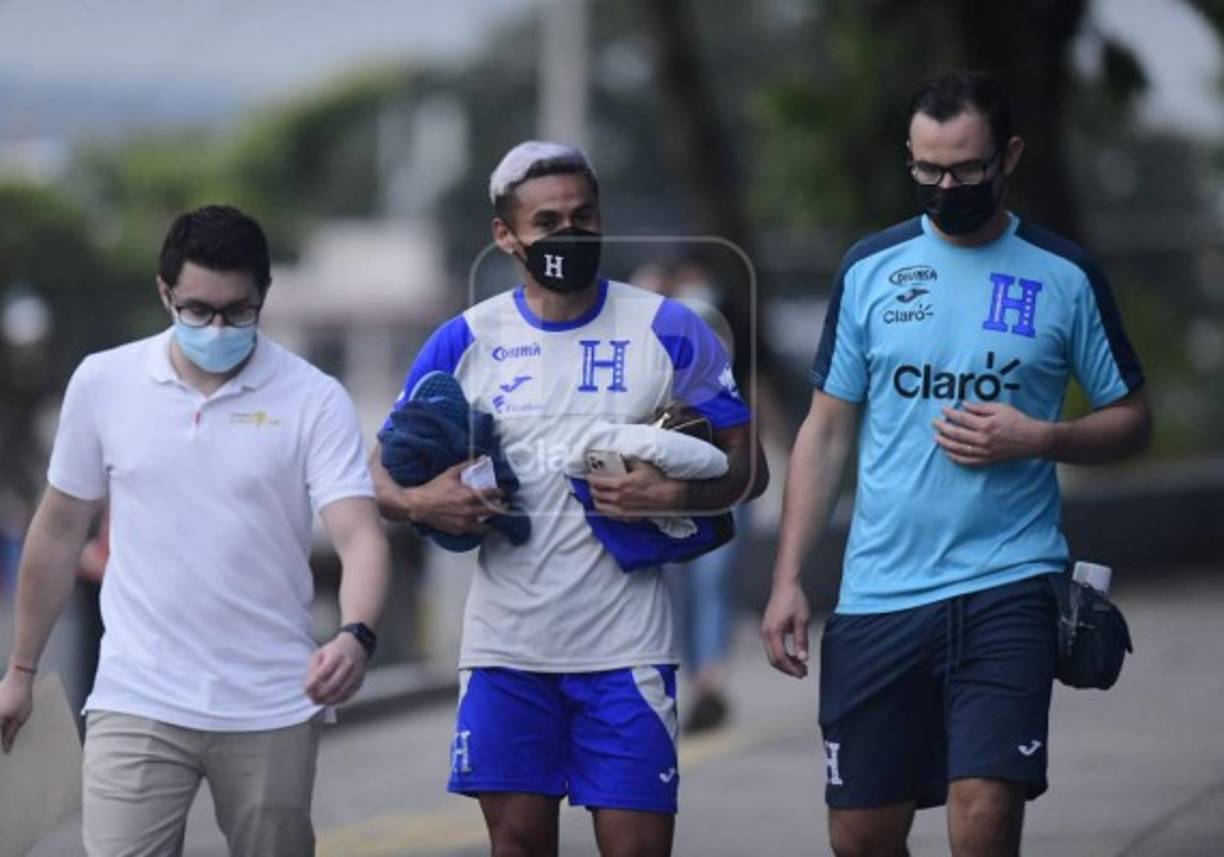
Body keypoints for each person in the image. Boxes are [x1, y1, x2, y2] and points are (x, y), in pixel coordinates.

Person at [761, 71, 1151, 857]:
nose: (946, 186)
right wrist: (788, 577)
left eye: (966, 169)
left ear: (1007, 155)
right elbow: (825, 431)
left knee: (983, 817)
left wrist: (1041, 437)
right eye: (928, 169)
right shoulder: (871, 269)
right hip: (879, 592)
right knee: (862, 834)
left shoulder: (1062, 274)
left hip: (1007, 583)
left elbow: (1132, 420)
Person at [371, 141, 768, 857]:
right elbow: (379, 472)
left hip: (627, 652)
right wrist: (424, 502)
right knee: (517, 846)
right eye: (547, 221)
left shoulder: (670, 328)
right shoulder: (465, 339)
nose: (569, 234)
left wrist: (673, 490)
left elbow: (751, 470)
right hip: (506, 651)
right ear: (506, 235)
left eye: (583, 216)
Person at [0, 205, 390, 857]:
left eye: (238, 312)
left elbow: (360, 535)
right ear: (165, 293)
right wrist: (19, 670)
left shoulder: (313, 398)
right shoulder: (105, 382)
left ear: (263, 297)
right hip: (137, 695)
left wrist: (356, 634)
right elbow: (59, 530)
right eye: (198, 310)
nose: (217, 327)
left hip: (272, 700)